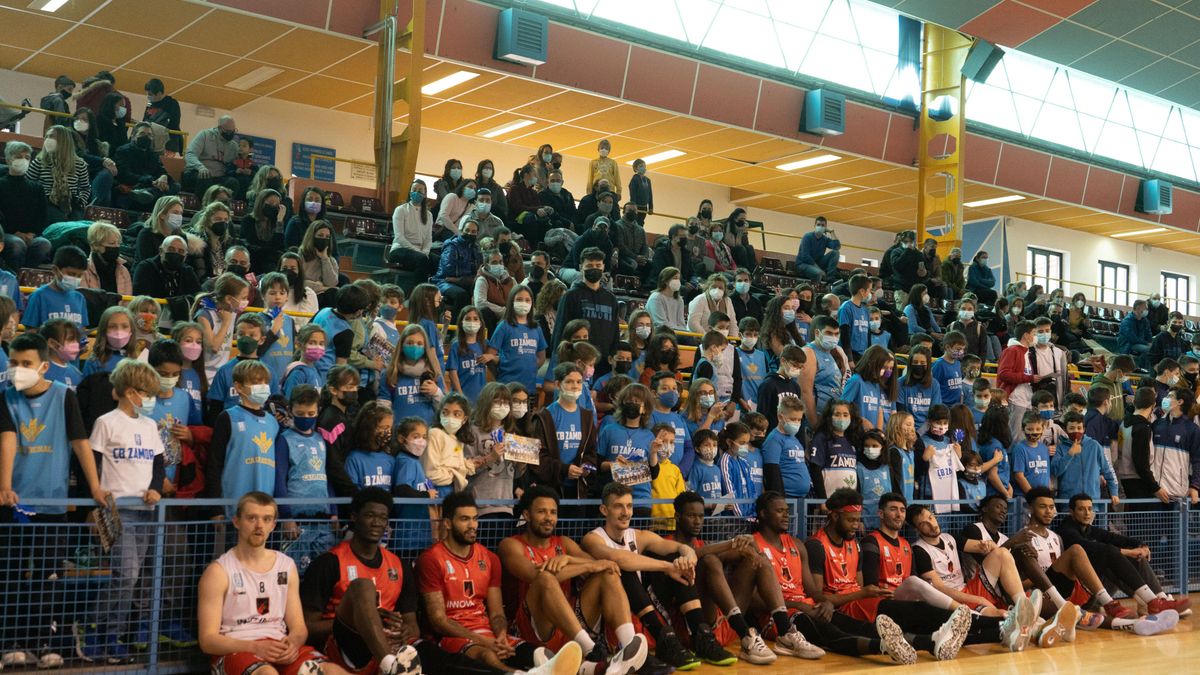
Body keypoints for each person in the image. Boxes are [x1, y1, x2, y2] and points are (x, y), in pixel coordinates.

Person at [0, 333, 109, 670]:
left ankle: (46, 643)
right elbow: (7, 439)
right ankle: (11, 643)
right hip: (15, 506)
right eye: (14, 363)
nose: (18, 369)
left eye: (26, 364)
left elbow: (80, 443)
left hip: (52, 505)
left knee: (50, 577)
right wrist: (4, 485)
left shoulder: (64, 397)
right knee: (13, 576)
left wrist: (95, 486)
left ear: (44, 366)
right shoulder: (5, 398)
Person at [418, 491, 583, 674]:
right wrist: (484, 641)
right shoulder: (431, 559)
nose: (472, 525)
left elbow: (497, 613)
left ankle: (590, 666)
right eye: (464, 519)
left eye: (474, 519)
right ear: (448, 523)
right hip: (453, 636)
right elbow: (439, 620)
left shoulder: (489, 558)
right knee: (487, 656)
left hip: (489, 632)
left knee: (540, 653)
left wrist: (501, 635)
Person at [806, 489, 973, 661]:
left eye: (858, 520)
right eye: (851, 520)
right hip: (848, 605)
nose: (856, 525)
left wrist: (866, 593)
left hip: (862, 600)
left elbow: (860, 587)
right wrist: (866, 593)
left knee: (917, 611)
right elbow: (818, 595)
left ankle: (989, 628)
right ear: (834, 516)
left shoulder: (857, 544)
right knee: (891, 622)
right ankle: (943, 633)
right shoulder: (819, 545)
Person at [498, 487, 649, 674]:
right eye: (541, 511)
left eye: (553, 512)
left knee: (608, 573)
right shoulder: (511, 544)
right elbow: (535, 576)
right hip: (534, 627)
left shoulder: (564, 542)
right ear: (527, 515)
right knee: (545, 579)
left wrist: (570, 559)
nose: (548, 517)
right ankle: (591, 651)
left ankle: (628, 650)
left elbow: (600, 564)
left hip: (571, 627)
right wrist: (585, 566)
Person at [581, 482, 729, 670]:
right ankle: (662, 637)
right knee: (620, 567)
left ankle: (702, 635)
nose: (625, 512)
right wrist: (668, 567)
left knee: (677, 558)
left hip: (637, 607)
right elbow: (621, 558)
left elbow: (678, 547)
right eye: (618, 506)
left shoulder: (638, 535)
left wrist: (688, 555)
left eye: (629, 506)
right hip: (605, 615)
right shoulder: (592, 538)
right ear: (604, 510)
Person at [198, 492, 348, 675]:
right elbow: (208, 641)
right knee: (267, 673)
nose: (259, 525)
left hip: (278, 647)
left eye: (266, 519)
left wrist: (293, 644)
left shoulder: (285, 565)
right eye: (251, 518)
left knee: (332, 671)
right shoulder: (218, 571)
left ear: (273, 525)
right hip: (236, 650)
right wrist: (254, 648)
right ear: (237, 522)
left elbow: (299, 628)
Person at [79, 359, 166, 663]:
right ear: (131, 392)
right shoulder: (107, 422)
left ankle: (111, 636)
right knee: (126, 575)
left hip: (146, 511)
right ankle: (91, 630)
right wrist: (93, 500)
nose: (151, 399)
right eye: (146, 392)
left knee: (131, 576)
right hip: (116, 511)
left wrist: (155, 488)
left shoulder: (149, 425)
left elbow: (158, 462)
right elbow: (92, 461)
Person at [670, 492, 822, 664]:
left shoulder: (703, 545)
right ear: (677, 516)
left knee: (759, 560)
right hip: (695, 628)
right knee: (710, 560)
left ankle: (785, 632)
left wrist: (747, 548)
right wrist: (731, 543)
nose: (698, 521)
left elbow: (727, 552)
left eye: (701, 516)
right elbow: (693, 555)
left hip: (727, 624)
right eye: (691, 516)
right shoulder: (666, 544)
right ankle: (745, 634)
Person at [1012, 487, 1179, 631]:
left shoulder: (1056, 537)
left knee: (1118, 558)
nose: (1049, 511)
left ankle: (1154, 601)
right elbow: (1017, 582)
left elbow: (1110, 539)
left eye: (1051, 507)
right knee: (1089, 551)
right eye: (1042, 507)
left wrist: (1139, 546)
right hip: (1044, 595)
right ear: (1031, 508)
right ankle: (1133, 620)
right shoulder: (1023, 538)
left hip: (1071, 590)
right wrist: (1039, 579)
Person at [298, 487, 422, 675]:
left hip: (392, 642)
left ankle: (392, 665)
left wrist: (406, 631)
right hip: (345, 642)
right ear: (354, 517)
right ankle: (390, 665)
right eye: (370, 515)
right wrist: (365, 619)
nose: (377, 523)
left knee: (441, 658)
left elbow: (413, 625)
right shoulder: (328, 563)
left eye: (382, 518)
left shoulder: (399, 565)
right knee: (362, 586)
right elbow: (307, 627)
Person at [907, 505, 1043, 649]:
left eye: (931, 517)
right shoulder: (919, 550)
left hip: (968, 588)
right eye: (924, 524)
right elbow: (939, 589)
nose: (932, 524)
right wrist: (976, 599)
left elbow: (982, 546)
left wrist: (987, 545)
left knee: (1002, 553)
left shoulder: (949, 538)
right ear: (916, 529)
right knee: (997, 613)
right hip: (952, 599)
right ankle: (1036, 629)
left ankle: (1022, 604)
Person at [1056, 494, 1190, 616]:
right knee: (1109, 555)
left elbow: (1114, 538)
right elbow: (1089, 546)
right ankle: (1151, 602)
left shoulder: (1088, 529)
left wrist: (1141, 545)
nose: (1087, 513)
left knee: (1136, 558)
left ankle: (1158, 600)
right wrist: (1128, 552)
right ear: (1071, 512)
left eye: (1090, 509)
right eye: (1081, 509)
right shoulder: (1067, 529)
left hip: (1095, 592)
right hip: (1076, 595)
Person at [204, 360, 280, 519]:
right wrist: (215, 507)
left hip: (266, 507)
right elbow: (214, 463)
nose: (263, 386)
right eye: (256, 382)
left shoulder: (273, 422)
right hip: (236, 506)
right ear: (238, 387)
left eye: (265, 382)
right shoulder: (228, 417)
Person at [551, 247, 621, 377]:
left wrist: (613, 357)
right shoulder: (570, 296)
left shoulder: (611, 299)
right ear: (580, 267)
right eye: (589, 265)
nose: (594, 268)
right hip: (576, 364)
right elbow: (560, 331)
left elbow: (615, 333)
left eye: (598, 265)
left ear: (603, 267)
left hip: (604, 365)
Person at [0, 142, 50, 270]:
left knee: (44, 244)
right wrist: (15, 232)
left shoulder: (37, 188)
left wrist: (32, 234)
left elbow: (42, 216)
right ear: (8, 159)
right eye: (18, 156)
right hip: (6, 233)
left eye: (27, 157)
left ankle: (25, 274)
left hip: (31, 235)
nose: (23, 160)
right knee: (17, 245)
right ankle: (13, 276)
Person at [29, 125, 90, 223]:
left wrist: (81, 202)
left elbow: (85, 187)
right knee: (60, 222)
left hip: (71, 203)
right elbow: (29, 185)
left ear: (64, 141)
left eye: (52, 136)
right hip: (46, 202)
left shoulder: (79, 164)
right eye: (47, 136)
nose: (48, 140)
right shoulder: (40, 162)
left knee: (77, 225)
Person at [1150, 386, 1200, 502]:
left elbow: (1197, 460)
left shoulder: (1192, 430)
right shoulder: (1157, 424)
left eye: (1170, 396)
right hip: (1154, 491)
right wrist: (1153, 486)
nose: (1165, 399)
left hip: (1177, 493)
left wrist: (1195, 486)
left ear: (1180, 401)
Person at [799, 316, 850, 427]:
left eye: (837, 334)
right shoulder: (809, 352)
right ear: (817, 333)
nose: (833, 337)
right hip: (817, 418)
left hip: (832, 417)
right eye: (829, 333)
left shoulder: (833, 352)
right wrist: (814, 423)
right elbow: (805, 392)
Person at [113, 121, 176, 205]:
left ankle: (147, 193)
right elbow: (124, 174)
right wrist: (149, 181)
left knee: (175, 186)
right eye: (142, 133)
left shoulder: (153, 154)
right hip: (133, 184)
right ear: (133, 136)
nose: (146, 137)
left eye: (149, 135)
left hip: (150, 186)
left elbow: (160, 170)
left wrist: (164, 176)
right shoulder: (123, 151)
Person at [183, 116, 240, 195]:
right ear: (219, 128)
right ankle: (204, 206)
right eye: (228, 131)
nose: (230, 134)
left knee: (233, 182)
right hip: (198, 172)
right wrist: (200, 167)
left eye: (233, 131)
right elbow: (190, 154)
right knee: (205, 177)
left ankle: (224, 206)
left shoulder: (234, 146)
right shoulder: (205, 135)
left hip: (219, 177)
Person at [80, 220, 131, 295]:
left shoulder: (123, 271)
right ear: (95, 245)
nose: (116, 246)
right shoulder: (83, 270)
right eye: (112, 243)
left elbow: (127, 302)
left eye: (118, 243)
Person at [135, 195, 185, 262]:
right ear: (162, 215)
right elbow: (146, 263)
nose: (179, 217)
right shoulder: (146, 234)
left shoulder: (182, 237)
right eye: (175, 212)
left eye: (181, 213)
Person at [794, 216, 841, 282]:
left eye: (823, 225)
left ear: (825, 227)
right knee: (818, 273)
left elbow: (837, 247)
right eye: (818, 225)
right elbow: (805, 257)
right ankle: (816, 289)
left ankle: (830, 278)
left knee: (835, 253)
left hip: (817, 264)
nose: (820, 227)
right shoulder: (807, 236)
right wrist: (820, 270)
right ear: (814, 226)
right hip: (803, 264)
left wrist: (832, 232)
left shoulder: (825, 239)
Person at [837, 275, 872, 361]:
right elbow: (844, 334)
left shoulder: (865, 309)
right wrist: (849, 359)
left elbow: (868, 334)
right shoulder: (846, 307)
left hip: (863, 354)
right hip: (850, 354)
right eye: (869, 290)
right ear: (862, 291)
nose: (870, 293)